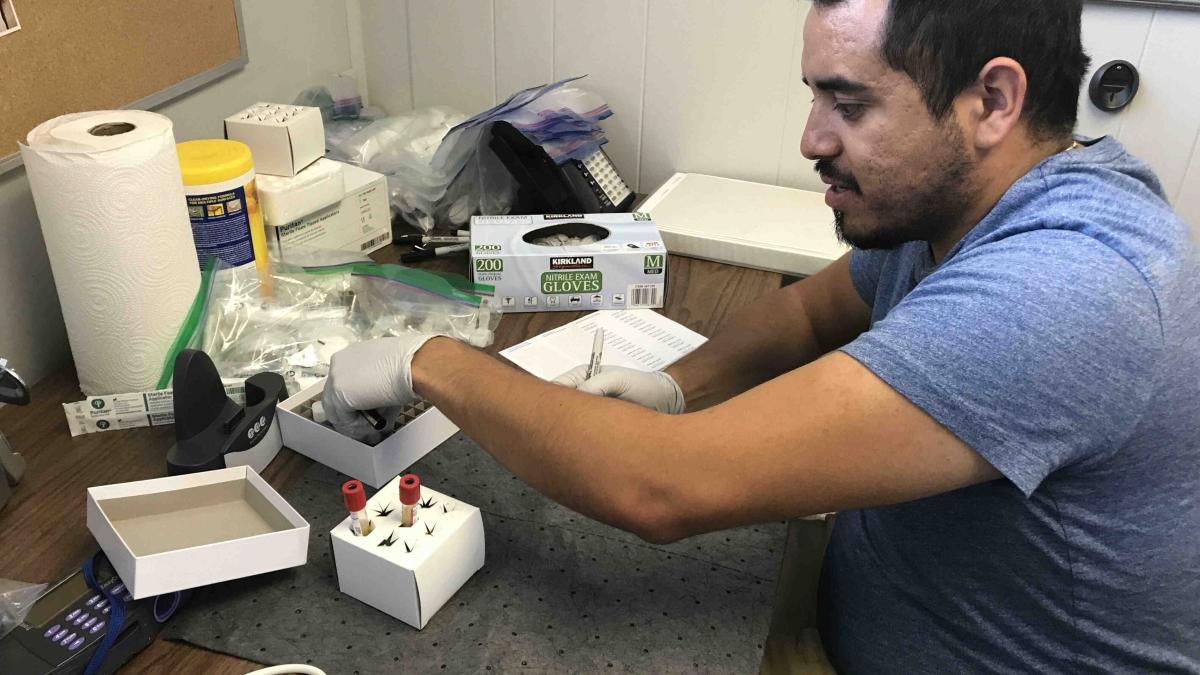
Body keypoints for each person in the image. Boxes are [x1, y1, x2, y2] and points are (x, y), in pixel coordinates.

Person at [323, 0, 1200, 670]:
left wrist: (427, 361)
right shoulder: (966, 207)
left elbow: (659, 488)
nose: (813, 137)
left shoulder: (1065, 289)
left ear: (994, 100)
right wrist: (681, 383)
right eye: (815, 96)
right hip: (853, 608)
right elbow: (815, 310)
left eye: (849, 103)